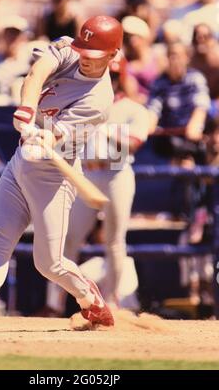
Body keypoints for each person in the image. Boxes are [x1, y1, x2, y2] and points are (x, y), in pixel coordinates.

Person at [0, 15, 123, 333]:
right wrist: (28, 109)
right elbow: (37, 72)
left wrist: (43, 136)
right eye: (83, 52)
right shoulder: (72, 47)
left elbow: (54, 137)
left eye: (94, 57)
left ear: (113, 56)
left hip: (53, 177)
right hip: (21, 163)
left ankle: (90, 299)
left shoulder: (99, 102)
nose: (85, 60)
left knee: (49, 263)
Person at [44, 89, 149, 316]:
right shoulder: (83, 102)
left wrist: (104, 129)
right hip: (86, 172)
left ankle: (112, 301)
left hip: (116, 172)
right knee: (68, 238)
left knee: (114, 241)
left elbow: (134, 143)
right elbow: (64, 143)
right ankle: (55, 303)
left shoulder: (131, 108)